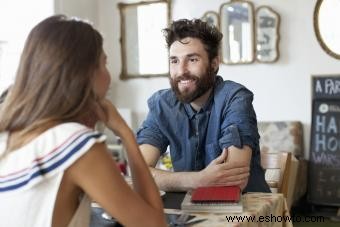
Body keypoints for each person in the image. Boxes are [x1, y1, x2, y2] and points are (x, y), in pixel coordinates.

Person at [0, 15, 166, 227]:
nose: (108, 76)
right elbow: (154, 224)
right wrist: (125, 133)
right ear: (85, 73)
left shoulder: (7, 138)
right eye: (104, 63)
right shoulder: (75, 143)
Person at [136, 19, 270, 193]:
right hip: (187, 212)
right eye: (174, 61)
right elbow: (139, 172)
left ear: (214, 63)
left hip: (245, 213)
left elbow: (233, 182)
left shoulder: (234, 98)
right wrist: (199, 179)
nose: (181, 70)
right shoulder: (162, 105)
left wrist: (169, 179)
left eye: (192, 59)